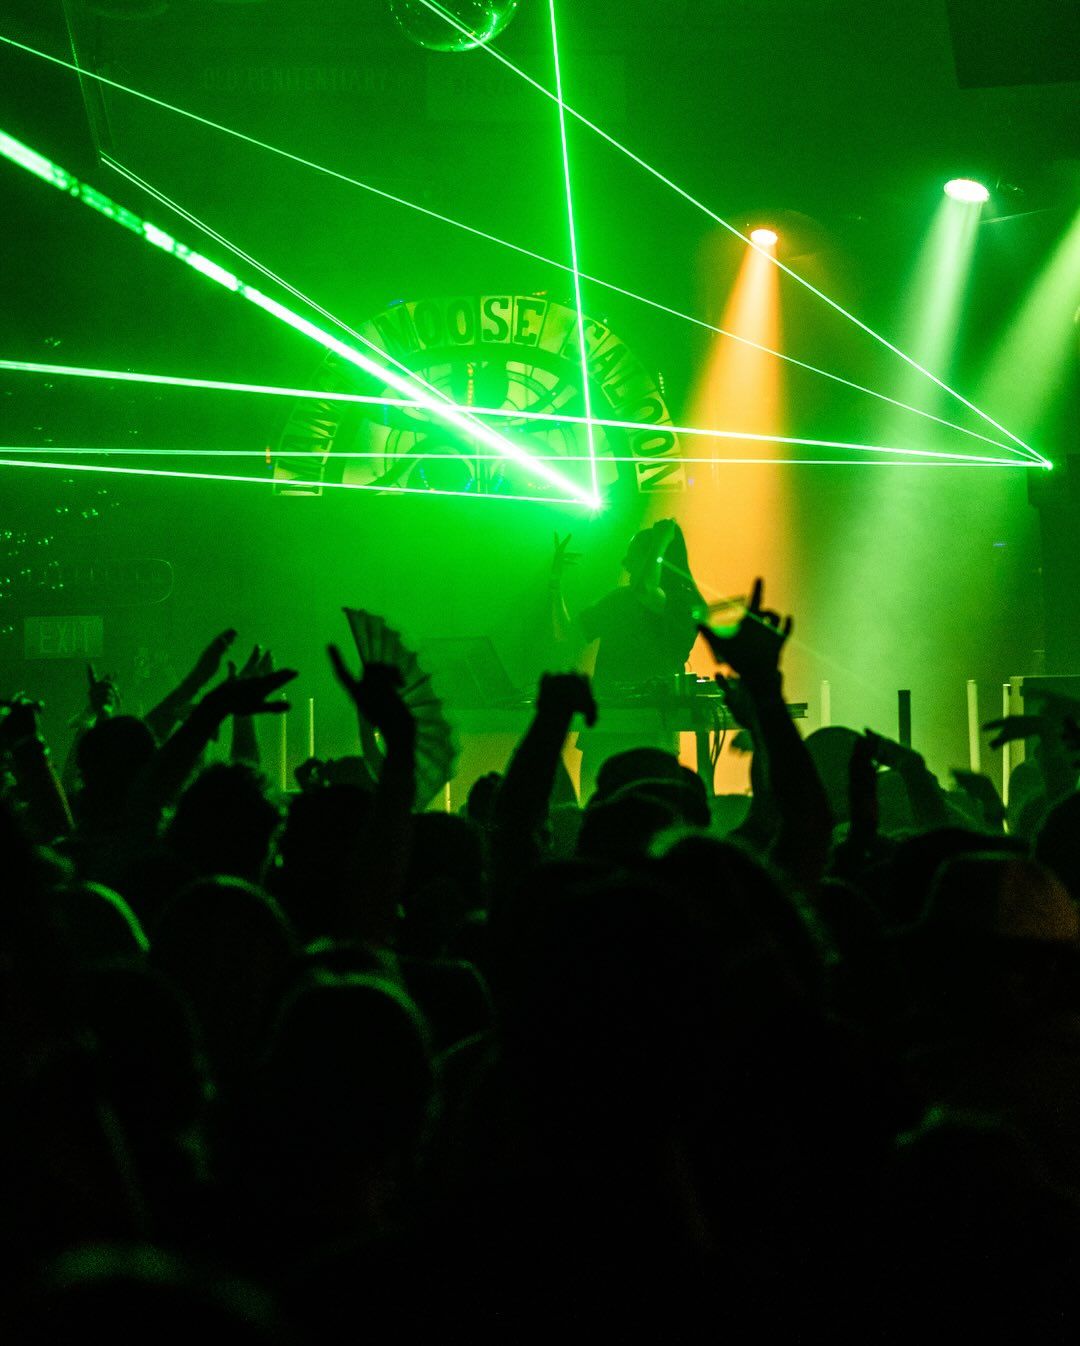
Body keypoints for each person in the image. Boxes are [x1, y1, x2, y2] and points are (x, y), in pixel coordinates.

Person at [550, 519, 705, 798]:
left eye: (632, 556)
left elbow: (646, 591)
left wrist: (661, 540)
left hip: (651, 736)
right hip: (605, 730)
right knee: (597, 811)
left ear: (653, 558)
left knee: (646, 814)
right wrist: (555, 582)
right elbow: (568, 634)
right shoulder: (619, 600)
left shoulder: (683, 604)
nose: (625, 563)